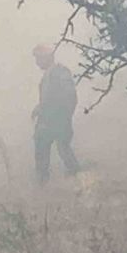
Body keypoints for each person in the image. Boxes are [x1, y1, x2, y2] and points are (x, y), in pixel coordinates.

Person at [32, 44, 80, 185]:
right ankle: (43, 185)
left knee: (63, 150)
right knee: (42, 152)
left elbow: (68, 98)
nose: (37, 62)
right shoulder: (50, 74)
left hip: (56, 122)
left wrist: (59, 118)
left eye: (39, 58)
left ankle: (78, 181)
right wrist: (40, 108)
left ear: (47, 58)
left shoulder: (60, 73)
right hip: (49, 121)